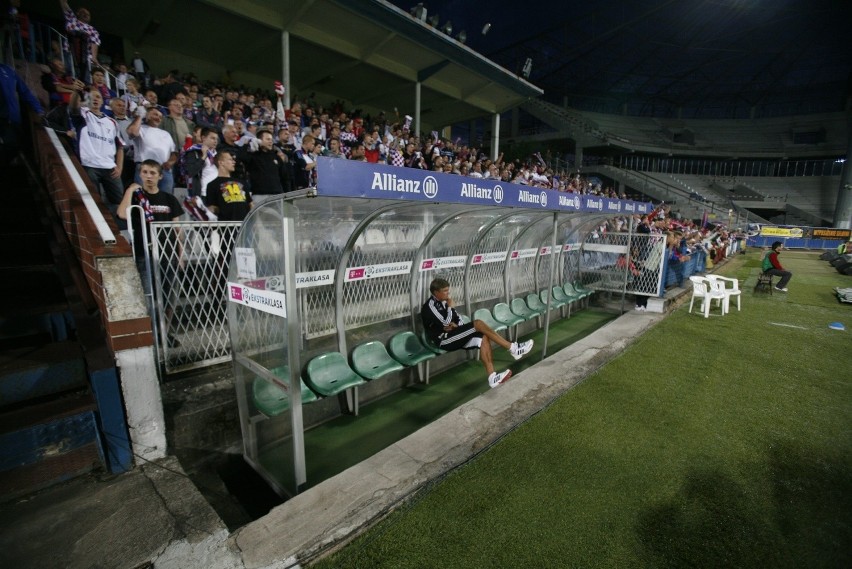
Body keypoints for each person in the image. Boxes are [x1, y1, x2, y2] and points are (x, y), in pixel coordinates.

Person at [116, 159, 184, 346]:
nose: (148, 176)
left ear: (160, 176)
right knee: (149, 298)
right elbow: (122, 214)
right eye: (144, 172)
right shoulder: (137, 198)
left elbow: (177, 229)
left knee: (170, 298)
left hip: (168, 255)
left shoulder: (169, 199)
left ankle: (164, 333)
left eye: (153, 173)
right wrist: (130, 190)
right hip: (144, 254)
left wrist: (181, 254)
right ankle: (153, 336)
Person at [421, 278, 534, 388]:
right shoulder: (430, 306)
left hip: (454, 335)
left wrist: (456, 325)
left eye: (448, 290)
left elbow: (457, 319)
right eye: (445, 291)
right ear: (436, 292)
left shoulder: (445, 301)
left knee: (483, 337)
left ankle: (492, 378)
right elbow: (446, 322)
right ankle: (513, 348)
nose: (448, 293)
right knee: (478, 324)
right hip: (443, 340)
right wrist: (450, 308)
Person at [68, 88, 124, 212]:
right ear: (87, 99)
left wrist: (119, 167)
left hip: (110, 167)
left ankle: (121, 227)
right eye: (92, 96)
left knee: (120, 201)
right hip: (89, 166)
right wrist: (77, 93)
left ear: (103, 101)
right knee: (93, 202)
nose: (95, 99)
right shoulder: (83, 115)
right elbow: (73, 108)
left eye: (98, 97)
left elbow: (120, 146)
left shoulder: (112, 122)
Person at [205, 149, 252, 221]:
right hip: (226, 227)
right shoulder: (212, 185)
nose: (234, 162)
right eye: (230, 159)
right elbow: (213, 207)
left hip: (244, 226)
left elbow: (250, 204)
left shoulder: (242, 182)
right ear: (221, 163)